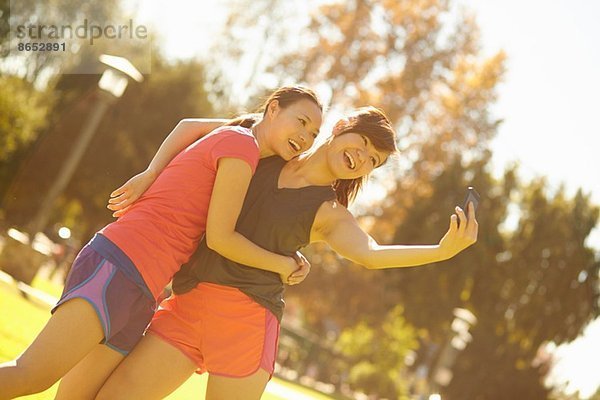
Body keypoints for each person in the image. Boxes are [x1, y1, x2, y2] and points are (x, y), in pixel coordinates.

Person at [95, 107, 479, 400]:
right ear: (342, 127)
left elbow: (371, 254)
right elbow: (193, 130)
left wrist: (442, 251)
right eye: (361, 144)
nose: (362, 158)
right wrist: (150, 174)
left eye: (372, 161)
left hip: (246, 323)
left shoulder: (329, 213)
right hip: (189, 302)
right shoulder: (265, 149)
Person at [0, 86, 324, 400]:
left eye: (314, 134)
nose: (306, 137)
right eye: (302, 122)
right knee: (31, 375)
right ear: (273, 109)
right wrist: (284, 264)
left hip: (145, 289)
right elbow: (221, 237)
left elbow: (189, 126)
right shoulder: (242, 146)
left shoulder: (240, 144)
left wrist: (152, 171)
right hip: (120, 264)